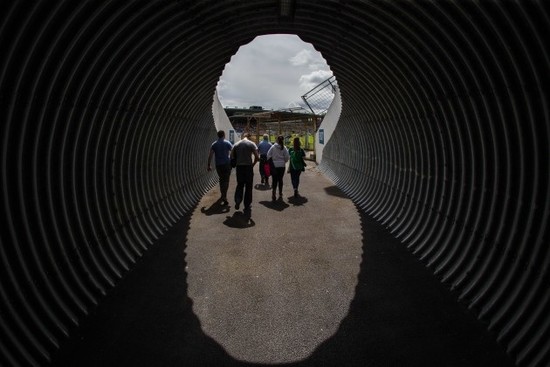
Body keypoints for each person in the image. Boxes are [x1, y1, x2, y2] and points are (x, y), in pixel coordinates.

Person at [231, 132, 259, 213]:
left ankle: (237, 200)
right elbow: (257, 157)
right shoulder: (251, 144)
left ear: (243, 137)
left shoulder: (236, 144)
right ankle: (247, 205)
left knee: (240, 185)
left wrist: (235, 163)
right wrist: (252, 165)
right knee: (248, 187)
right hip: (248, 167)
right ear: (249, 137)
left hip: (239, 167)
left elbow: (231, 156)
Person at [207, 130, 233, 205]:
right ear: (224, 135)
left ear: (218, 135)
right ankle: (224, 196)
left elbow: (210, 155)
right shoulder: (227, 143)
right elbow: (233, 151)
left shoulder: (214, 144)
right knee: (226, 180)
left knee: (221, 179)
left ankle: (223, 195)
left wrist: (208, 165)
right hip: (227, 164)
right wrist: (232, 160)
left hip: (218, 165)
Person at [266, 135, 289, 201]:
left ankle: (273, 193)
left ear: (277, 140)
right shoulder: (284, 147)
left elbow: (268, 155)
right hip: (282, 166)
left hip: (274, 166)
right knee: (280, 180)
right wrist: (284, 161)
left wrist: (272, 161)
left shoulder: (273, 147)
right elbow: (287, 157)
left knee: (274, 180)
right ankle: (280, 193)